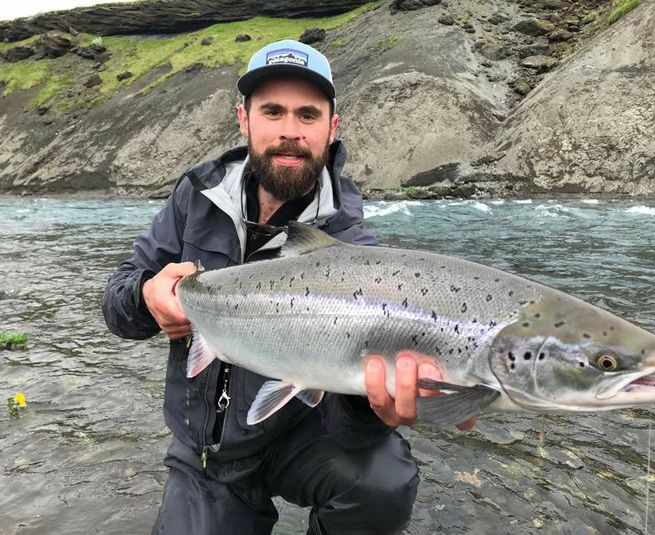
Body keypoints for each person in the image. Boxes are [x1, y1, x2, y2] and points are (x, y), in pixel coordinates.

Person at [103, 39, 474, 535]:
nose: (289, 132)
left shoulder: (355, 249)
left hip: (300, 439)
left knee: (383, 480)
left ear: (331, 127)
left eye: (307, 115)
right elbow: (117, 307)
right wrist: (146, 295)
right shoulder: (194, 198)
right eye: (272, 111)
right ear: (244, 118)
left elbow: (348, 429)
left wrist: (372, 404)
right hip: (205, 453)